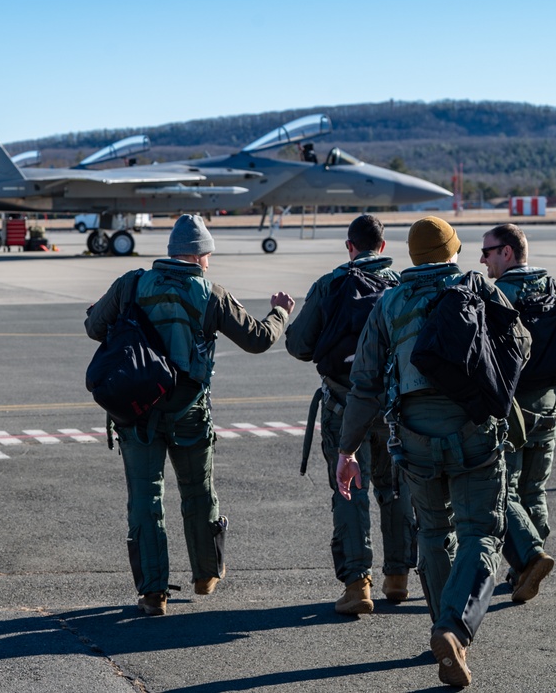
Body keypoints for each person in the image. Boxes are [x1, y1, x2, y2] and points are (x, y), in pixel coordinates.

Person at [336, 216, 530, 688]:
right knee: (481, 533)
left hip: (414, 435)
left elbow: (363, 384)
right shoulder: (476, 287)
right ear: (452, 250)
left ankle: (444, 628)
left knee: (433, 531)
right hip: (474, 432)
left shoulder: (389, 302)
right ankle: (453, 628)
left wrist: (348, 450)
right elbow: (520, 341)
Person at [84, 213, 295, 616]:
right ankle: (205, 574)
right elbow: (258, 339)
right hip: (189, 412)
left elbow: (95, 328)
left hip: (136, 414)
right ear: (200, 256)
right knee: (198, 492)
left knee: (145, 500)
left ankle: (152, 593)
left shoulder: (131, 283)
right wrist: (280, 312)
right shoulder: (209, 292)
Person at [285, 214, 416, 615]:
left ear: (350, 245)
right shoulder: (403, 285)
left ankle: (358, 583)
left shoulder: (330, 284)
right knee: (396, 490)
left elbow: (299, 345)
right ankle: (398, 577)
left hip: (344, 405)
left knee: (348, 489)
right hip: (396, 408)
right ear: (383, 246)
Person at [480, 223, 556, 601]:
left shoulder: (497, 296)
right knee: (535, 490)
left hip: (512, 412)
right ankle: (524, 573)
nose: (482, 259)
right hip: (551, 407)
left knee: (503, 491)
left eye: (489, 251)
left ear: (507, 253)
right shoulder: (553, 289)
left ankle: (530, 558)